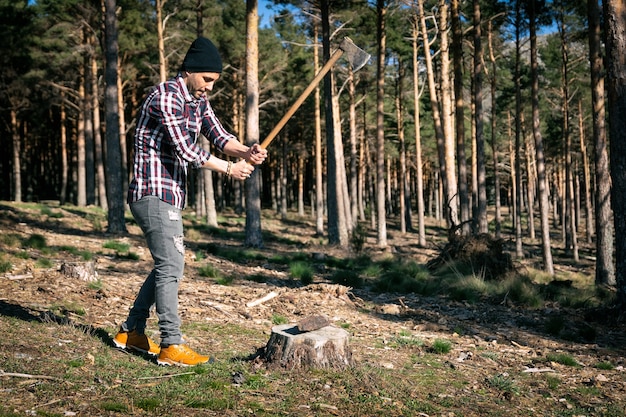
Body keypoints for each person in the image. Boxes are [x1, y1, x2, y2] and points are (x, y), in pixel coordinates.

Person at [113, 37, 267, 366]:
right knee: (171, 266)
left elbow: (219, 135)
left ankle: (132, 332)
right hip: (152, 191)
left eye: (215, 82)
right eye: (207, 79)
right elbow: (186, 148)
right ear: (190, 71)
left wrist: (246, 151)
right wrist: (228, 168)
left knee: (167, 265)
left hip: (171, 194)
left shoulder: (198, 101)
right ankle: (171, 344)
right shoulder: (165, 96)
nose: (210, 87)